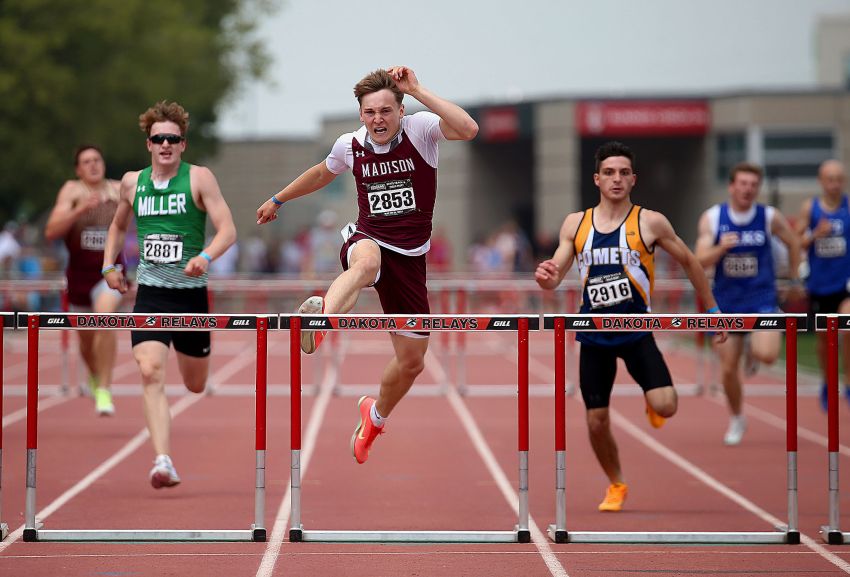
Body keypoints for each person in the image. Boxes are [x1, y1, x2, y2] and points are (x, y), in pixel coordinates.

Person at [257, 66, 478, 464]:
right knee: (365, 264)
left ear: (400, 111)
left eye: (386, 111)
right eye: (370, 112)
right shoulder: (350, 144)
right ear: (361, 114)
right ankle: (319, 322)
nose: (378, 120)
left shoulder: (421, 129)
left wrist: (417, 89)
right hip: (368, 238)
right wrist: (278, 199)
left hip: (410, 258)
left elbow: (468, 129)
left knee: (412, 362)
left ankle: (374, 419)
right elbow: (321, 173)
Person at [535, 141, 724, 513]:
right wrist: (546, 276)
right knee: (596, 421)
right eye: (609, 172)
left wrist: (713, 310)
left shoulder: (650, 222)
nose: (616, 179)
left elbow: (690, 262)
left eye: (623, 172)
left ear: (633, 179)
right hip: (594, 335)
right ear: (597, 179)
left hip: (637, 331)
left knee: (666, 406)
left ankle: (653, 402)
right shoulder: (576, 223)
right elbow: (555, 273)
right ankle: (616, 483)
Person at [102, 101, 237, 489]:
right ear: (148, 144)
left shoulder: (199, 178)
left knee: (195, 384)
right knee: (150, 371)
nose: (165, 144)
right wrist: (109, 266)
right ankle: (163, 460)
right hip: (151, 294)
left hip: (190, 296)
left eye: (172, 139)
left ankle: (166, 451)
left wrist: (205, 257)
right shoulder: (132, 182)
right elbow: (117, 227)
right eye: (158, 138)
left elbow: (227, 230)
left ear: (182, 145)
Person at [695, 162, 802, 445]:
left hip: (761, 299)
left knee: (767, 355)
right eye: (743, 183)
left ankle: (753, 349)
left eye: (753, 185)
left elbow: (793, 242)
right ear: (732, 186)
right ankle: (737, 417)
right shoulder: (713, 218)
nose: (748, 189)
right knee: (728, 369)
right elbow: (699, 260)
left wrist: (794, 279)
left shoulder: (769, 216)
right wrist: (721, 248)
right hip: (727, 303)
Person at [45, 145, 124, 416]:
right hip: (79, 278)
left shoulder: (118, 189)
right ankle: (95, 375)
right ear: (78, 169)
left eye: (97, 159)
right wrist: (79, 210)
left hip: (110, 272)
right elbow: (51, 232)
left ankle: (104, 388)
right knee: (87, 343)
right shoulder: (71, 191)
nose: (93, 165)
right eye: (86, 161)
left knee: (105, 319)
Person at [796, 160, 850, 410]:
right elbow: (796, 242)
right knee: (825, 339)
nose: (835, 184)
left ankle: (848, 382)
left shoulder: (848, 206)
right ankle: (828, 382)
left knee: (847, 330)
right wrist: (815, 234)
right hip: (819, 284)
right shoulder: (811, 208)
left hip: (845, 283)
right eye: (830, 179)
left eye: (839, 179)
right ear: (821, 181)